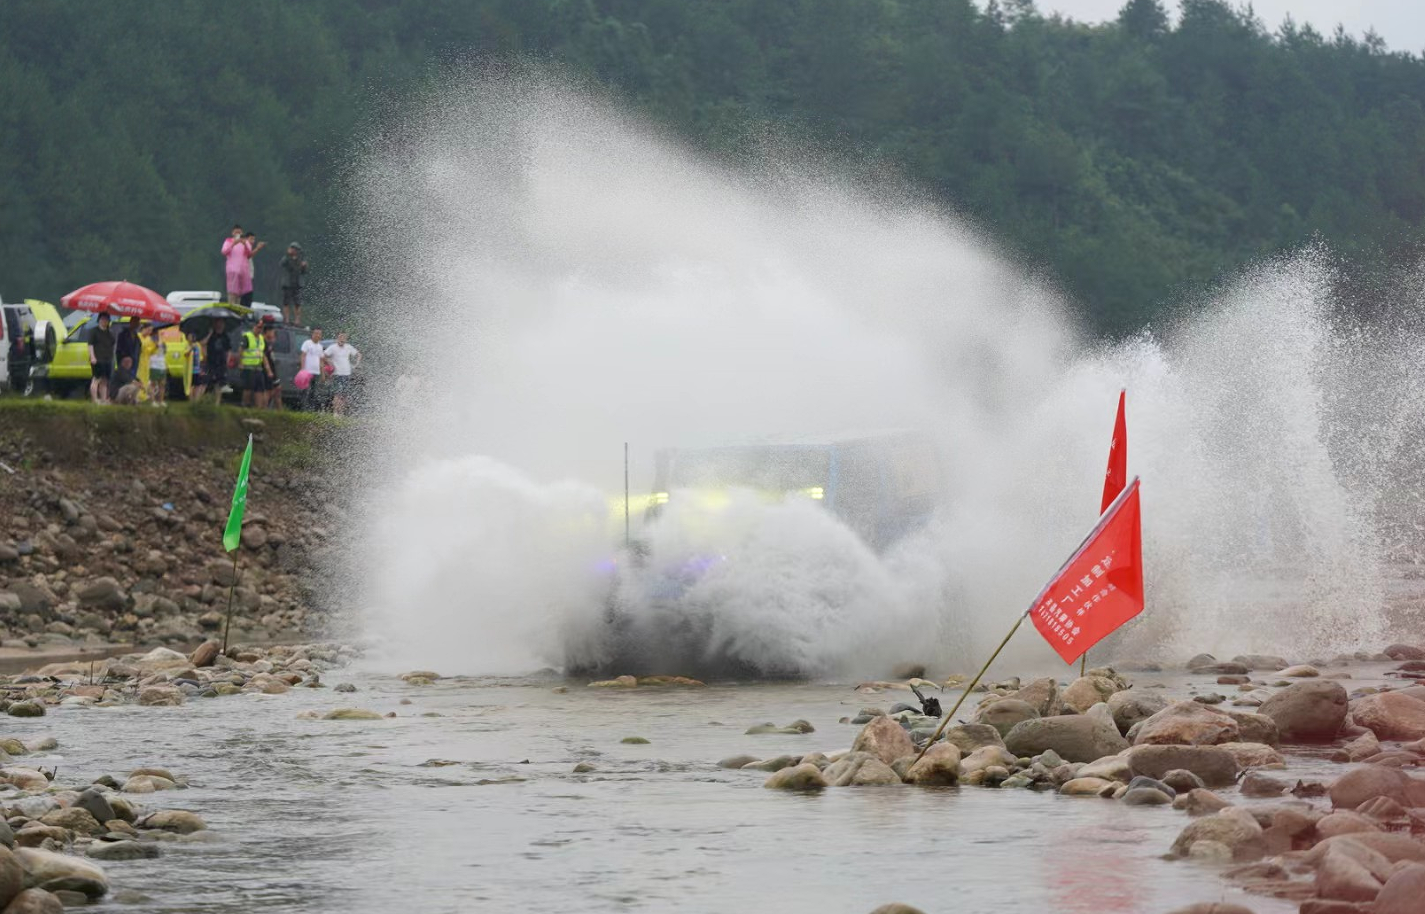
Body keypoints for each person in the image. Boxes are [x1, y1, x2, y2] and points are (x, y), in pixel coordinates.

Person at [326, 330, 360, 416]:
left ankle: (341, 413)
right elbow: (323, 356)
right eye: (341, 337)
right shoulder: (332, 347)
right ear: (337, 338)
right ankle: (335, 413)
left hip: (346, 374)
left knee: (344, 395)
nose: (342, 339)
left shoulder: (348, 347)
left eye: (344, 337)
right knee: (337, 394)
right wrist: (330, 363)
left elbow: (359, 354)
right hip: (337, 373)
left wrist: (356, 364)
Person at [239, 319, 267, 408]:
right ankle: (245, 405)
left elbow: (263, 353)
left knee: (260, 388)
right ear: (254, 327)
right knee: (248, 387)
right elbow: (241, 350)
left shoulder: (261, 338)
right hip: (248, 366)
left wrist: (266, 367)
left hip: (258, 367)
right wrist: (240, 362)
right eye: (258, 327)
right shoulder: (247, 336)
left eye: (261, 328)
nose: (259, 329)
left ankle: (259, 408)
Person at [88, 312, 114, 404]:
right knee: (96, 379)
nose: (104, 321)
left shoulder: (110, 333)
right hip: (97, 359)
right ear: (99, 320)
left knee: (105, 381)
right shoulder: (94, 331)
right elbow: (90, 345)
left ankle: (103, 399)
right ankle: (94, 400)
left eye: (106, 320)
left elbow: (112, 345)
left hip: (107, 359)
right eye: (103, 319)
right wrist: (92, 357)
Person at [222, 225, 251, 306]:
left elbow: (249, 253)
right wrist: (233, 244)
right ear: (232, 233)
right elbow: (224, 251)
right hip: (232, 270)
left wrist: (244, 243)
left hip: (242, 271)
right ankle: (231, 305)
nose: (237, 233)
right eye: (236, 232)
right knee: (232, 291)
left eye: (239, 232)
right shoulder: (228, 241)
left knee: (240, 292)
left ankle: (239, 307)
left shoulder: (245, 242)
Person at [298, 326, 326, 411]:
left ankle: (311, 410)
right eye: (316, 333)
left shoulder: (320, 347)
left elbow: (321, 361)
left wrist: (323, 374)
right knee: (305, 391)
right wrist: (303, 369)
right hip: (307, 371)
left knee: (313, 392)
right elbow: (303, 356)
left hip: (316, 372)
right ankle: (303, 408)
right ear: (312, 334)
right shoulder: (307, 343)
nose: (317, 335)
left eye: (319, 334)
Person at [140, 324, 168, 407]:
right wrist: (155, 346)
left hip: (162, 364)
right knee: (152, 383)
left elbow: (164, 351)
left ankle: (161, 401)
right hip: (153, 364)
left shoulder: (161, 340)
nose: (156, 333)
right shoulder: (148, 340)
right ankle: (153, 401)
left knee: (162, 383)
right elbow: (147, 351)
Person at [280, 243, 307, 324]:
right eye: (293, 248)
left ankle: (297, 320)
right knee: (286, 302)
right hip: (288, 283)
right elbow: (281, 263)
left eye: (295, 249)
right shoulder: (287, 258)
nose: (294, 250)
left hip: (297, 284)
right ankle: (287, 319)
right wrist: (287, 254)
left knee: (297, 303)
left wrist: (304, 266)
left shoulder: (301, 259)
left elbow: (304, 272)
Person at [207, 316, 232, 403]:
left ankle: (217, 403)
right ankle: (208, 401)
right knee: (210, 383)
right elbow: (204, 344)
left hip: (221, 362)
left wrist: (227, 359)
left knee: (219, 384)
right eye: (218, 323)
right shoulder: (211, 335)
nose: (220, 325)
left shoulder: (225, 336)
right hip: (211, 361)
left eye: (221, 323)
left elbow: (229, 349)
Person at [241, 232, 267, 308]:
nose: (253, 241)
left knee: (248, 299)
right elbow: (248, 256)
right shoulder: (243, 247)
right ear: (245, 239)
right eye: (251, 239)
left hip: (249, 277)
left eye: (254, 239)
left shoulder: (249, 248)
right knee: (244, 299)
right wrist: (258, 248)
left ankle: (245, 315)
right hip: (244, 277)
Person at [261, 322, 281, 410]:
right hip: (266, 370)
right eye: (272, 331)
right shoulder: (263, 343)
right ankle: (264, 409)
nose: (273, 333)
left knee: (276, 390)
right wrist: (269, 370)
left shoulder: (268, 343)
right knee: (268, 391)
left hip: (272, 370)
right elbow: (264, 358)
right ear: (267, 332)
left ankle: (279, 411)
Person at [187, 330, 209, 401]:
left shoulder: (198, 345)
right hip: (190, 369)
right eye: (190, 337)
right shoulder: (187, 345)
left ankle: (196, 400)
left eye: (193, 337)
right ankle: (191, 400)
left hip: (197, 369)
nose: (192, 338)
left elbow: (201, 357)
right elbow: (185, 354)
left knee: (198, 385)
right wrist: (191, 348)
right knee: (191, 385)